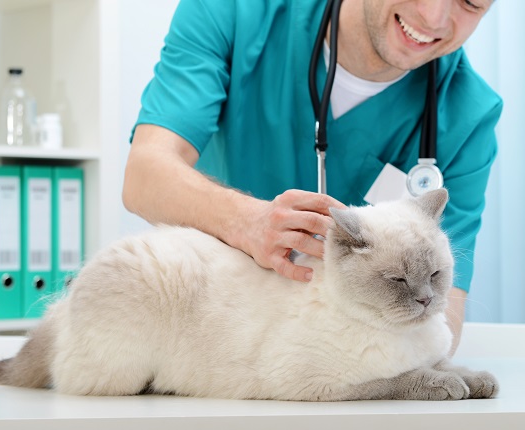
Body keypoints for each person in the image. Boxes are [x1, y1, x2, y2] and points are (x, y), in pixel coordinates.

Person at [123, 0, 502, 354]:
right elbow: (144, 175)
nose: (434, 17)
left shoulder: (469, 113)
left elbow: (441, 327)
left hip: (341, 366)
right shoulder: (236, 11)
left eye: (470, 1)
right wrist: (246, 221)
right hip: (214, 330)